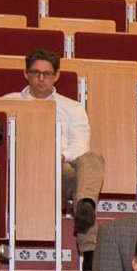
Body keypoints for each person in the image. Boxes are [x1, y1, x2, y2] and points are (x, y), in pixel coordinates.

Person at [11, 49, 106, 251]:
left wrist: (59, 157)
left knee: (93, 159)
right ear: (25, 73)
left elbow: (81, 145)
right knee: (84, 183)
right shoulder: (9, 103)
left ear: (57, 76)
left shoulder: (72, 108)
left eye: (47, 74)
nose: (41, 79)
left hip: (59, 169)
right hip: (22, 169)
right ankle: (89, 247)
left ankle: (85, 206)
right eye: (35, 72)